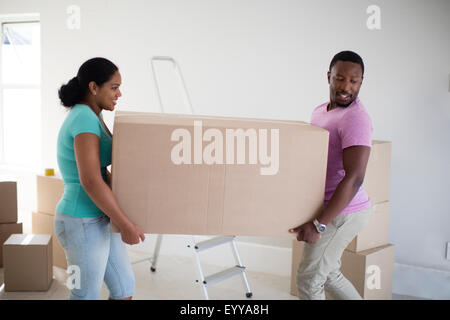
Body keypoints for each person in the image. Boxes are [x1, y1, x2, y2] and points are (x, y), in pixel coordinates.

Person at [54, 57, 145, 300]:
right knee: (84, 294)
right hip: (80, 221)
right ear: (94, 87)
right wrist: (125, 224)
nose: (119, 94)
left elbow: (102, 172)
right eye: (114, 87)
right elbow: (91, 180)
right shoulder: (83, 118)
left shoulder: (93, 115)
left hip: (99, 218)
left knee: (124, 289)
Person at [289, 51, 373, 300]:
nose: (346, 87)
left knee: (309, 279)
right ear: (329, 77)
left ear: (361, 82)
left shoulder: (355, 118)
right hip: (330, 207)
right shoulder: (320, 111)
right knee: (328, 274)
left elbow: (355, 177)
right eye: (340, 78)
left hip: (344, 212)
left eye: (354, 81)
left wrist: (320, 224)